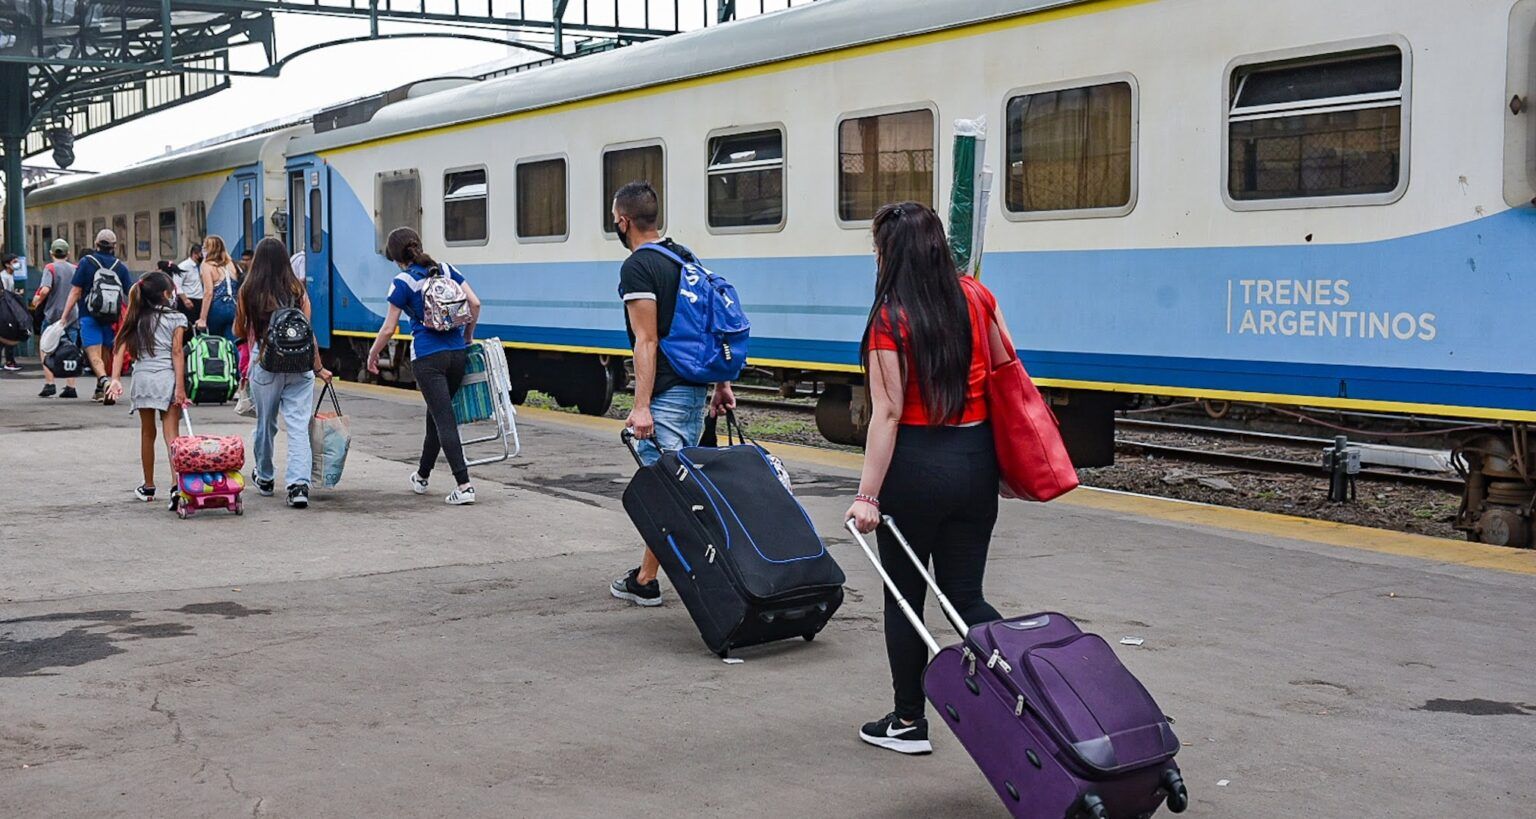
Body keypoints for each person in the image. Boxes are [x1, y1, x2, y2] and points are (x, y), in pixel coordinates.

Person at [847, 203, 1005, 757]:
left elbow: (887, 413)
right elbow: (1006, 371)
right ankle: (1030, 692)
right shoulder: (976, 296)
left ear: (890, 254)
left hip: (915, 468)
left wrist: (867, 496)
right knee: (966, 597)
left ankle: (909, 721)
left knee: (905, 600)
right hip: (976, 462)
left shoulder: (890, 318)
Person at [606, 181, 735, 606]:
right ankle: (645, 579)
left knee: (668, 496)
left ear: (623, 221)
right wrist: (721, 383)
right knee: (671, 490)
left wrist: (641, 407)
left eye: (615, 220)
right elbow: (711, 326)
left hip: (667, 396)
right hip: (694, 391)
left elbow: (647, 340)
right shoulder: (685, 257)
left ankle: (717, 575)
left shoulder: (638, 267)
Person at [365, 227, 481, 506]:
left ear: (396, 258)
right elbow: (475, 303)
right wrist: (467, 336)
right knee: (436, 417)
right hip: (457, 354)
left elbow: (388, 328)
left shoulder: (402, 281)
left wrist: (372, 354)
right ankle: (422, 476)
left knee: (444, 419)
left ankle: (464, 485)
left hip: (428, 358)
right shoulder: (446, 269)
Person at [234, 237, 331, 509]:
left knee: (265, 424)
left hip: (265, 363)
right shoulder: (297, 290)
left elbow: (238, 330)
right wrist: (319, 367)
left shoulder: (248, 290)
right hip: (300, 364)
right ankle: (298, 486)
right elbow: (307, 331)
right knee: (298, 426)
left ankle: (265, 478)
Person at [104, 270, 188, 504]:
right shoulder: (176, 318)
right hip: (166, 378)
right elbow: (177, 352)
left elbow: (119, 347)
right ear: (166, 294)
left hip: (142, 379)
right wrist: (180, 388)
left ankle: (148, 486)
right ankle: (177, 487)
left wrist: (115, 378)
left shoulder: (136, 317)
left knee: (147, 432)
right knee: (172, 435)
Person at [52, 229, 135, 403]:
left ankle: (104, 383)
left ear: (96, 244)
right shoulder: (120, 267)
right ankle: (100, 388)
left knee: (93, 353)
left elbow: (75, 292)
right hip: (111, 317)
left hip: (88, 315)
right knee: (106, 351)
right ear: (114, 246)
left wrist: (64, 316)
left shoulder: (86, 262)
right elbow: (131, 293)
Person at [32, 238, 79, 397]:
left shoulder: (50, 268)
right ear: (68, 253)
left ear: (51, 253)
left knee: (46, 347)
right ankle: (71, 387)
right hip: (72, 316)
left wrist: (38, 299)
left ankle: (50, 383)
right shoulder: (75, 269)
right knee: (71, 350)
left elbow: (45, 289)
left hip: (53, 316)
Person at [196, 235, 239, 341]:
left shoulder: (206, 265)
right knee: (232, 342)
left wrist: (202, 319)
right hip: (234, 306)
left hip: (217, 307)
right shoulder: (231, 264)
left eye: (204, 247)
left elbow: (208, 293)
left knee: (215, 341)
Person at [176, 242, 205, 324]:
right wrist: (185, 300)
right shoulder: (183, 266)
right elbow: (177, 285)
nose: (203, 257)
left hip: (200, 299)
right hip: (189, 299)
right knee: (189, 325)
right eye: (201, 255)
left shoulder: (201, 266)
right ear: (195, 254)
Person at [1, 253, 21, 371]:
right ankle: (10, 361)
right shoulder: (3, 277)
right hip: (6, 310)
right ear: (7, 264)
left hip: (9, 309)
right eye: (14, 262)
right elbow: (5, 294)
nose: (17, 264)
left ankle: (10, 361)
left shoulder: (10, 275)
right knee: (8, 335)